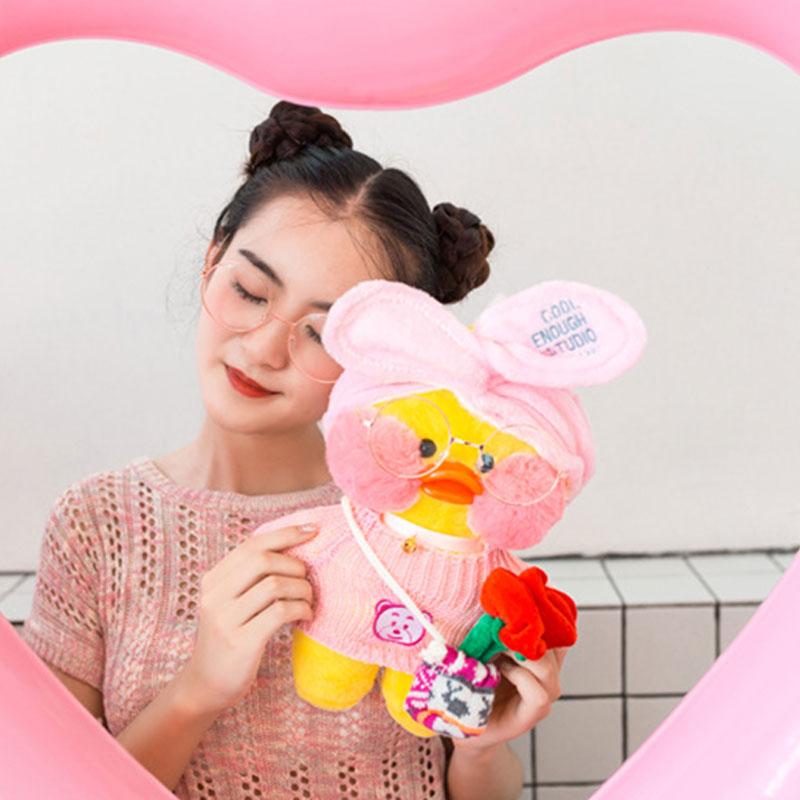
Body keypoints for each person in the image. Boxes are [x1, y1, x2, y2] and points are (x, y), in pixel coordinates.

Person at [21, 100, 565, 800]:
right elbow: (46, 786)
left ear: (390, 359)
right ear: (213, 261)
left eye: (321, 334)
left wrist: (484, 748)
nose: (262, 349)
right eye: (250, 291)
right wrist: (198, 690)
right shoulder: (96, 525)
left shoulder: (429, 527)